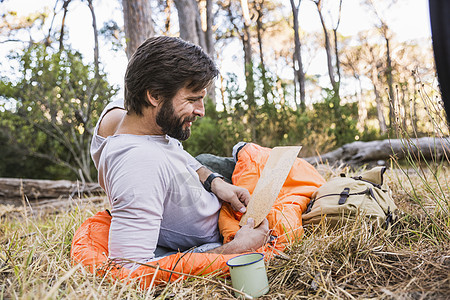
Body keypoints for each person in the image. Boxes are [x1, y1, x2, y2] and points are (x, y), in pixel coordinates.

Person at [90, 36, 269, 270]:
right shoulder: (138, 166)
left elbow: (171, 151)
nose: (201, 111)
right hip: (216, 228)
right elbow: (129, 269)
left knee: (262, 159)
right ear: (154, 95)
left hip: (206, 185)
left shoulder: (118, 114)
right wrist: (236, 249)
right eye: (193, 100)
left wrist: (213, 181)